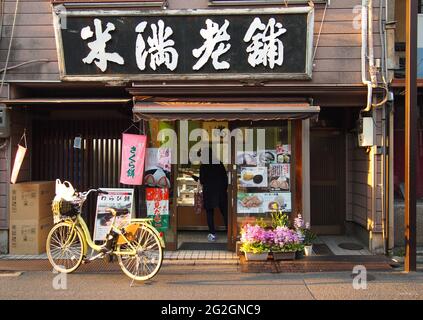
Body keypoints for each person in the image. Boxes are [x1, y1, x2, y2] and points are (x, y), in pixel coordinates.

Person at [190, 149, 228, 242]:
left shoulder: (204, 166)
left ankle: (212, 234)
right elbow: (225, 178)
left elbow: (202, 180)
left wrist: (195, 177)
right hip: (221, 192)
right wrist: (224, 189)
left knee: (210, 213)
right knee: (225, 213)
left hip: (209, 192)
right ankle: (230, 232)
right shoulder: (219, 163)